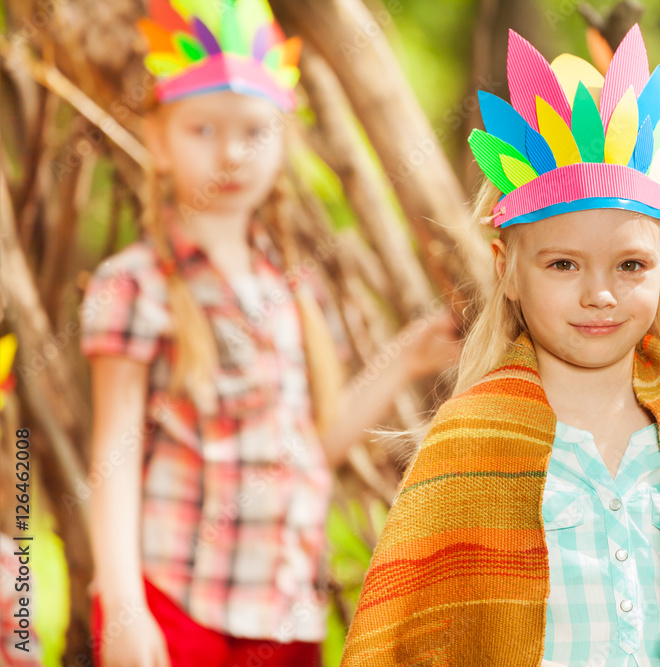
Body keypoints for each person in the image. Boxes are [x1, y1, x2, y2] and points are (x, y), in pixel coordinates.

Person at [341, 25, 660, 667]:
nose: (600, 294)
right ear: (508, 268)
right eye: (564, 265)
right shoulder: (467, 445)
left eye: (630, 266)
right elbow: (404, 645)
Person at [81, 1, 460, 665]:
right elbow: (113, 451)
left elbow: (316, 443)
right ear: (161, 141)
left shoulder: (292, 289)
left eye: (254, 131)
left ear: (282, 139)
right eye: (203, 130)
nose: (231, 152)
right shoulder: (133, 283)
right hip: (176, 600)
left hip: (283, 611)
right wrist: (123, 603)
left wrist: (404, 359)